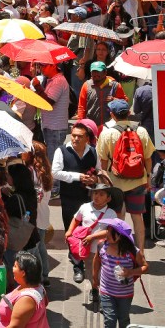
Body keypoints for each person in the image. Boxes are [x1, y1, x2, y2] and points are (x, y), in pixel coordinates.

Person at [96, 99, 154, 249]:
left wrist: (104, 183)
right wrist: (148, 178)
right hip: (138, 181)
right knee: (137, 217)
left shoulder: (107, 133)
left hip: (115, 183)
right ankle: (140, 252)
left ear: (112, 114)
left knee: (118, 217)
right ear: (129, 113)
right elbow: (148, 159)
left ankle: (118, 249)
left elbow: (102, 162)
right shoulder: (141, 131)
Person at [51, 118, 99, 283]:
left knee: (88, 230)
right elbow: (55, 172)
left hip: (89, 199)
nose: (76, 139)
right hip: (69, 198)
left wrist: (93, 179)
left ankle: (86, 259)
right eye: (74, 135)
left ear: (87, 138)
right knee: (73, 232)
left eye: (80, 136)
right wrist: (78, 177)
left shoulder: (93, 151)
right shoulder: (62, 151)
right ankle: (78, 265)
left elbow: (99, 171)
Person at [93, 218, 148, 328]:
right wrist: (94, 278)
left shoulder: (133, 252)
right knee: (110, 320)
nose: (107, 234)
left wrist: (131, 272)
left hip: (125, 294)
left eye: (111, 232)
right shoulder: (102, 246)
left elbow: (145, 267)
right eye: (107, 230)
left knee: (124, 320)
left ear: (120, 236)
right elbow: (97, 261)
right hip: (106, 291)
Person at [0, 251, 48, 328]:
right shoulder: (39, 287)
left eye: (15, 266)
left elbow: (15, 326)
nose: (12, 269)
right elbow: (45, 304)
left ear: (23, 273)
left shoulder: (26, 299)